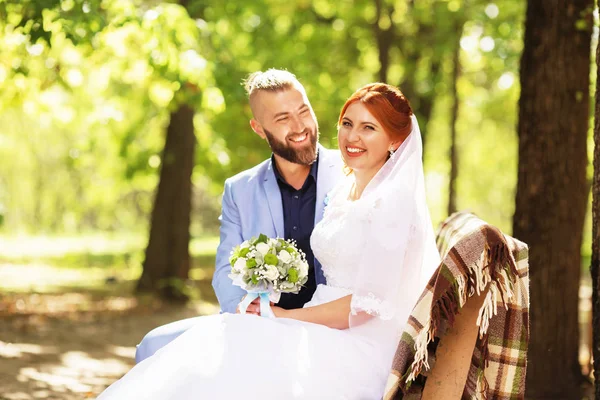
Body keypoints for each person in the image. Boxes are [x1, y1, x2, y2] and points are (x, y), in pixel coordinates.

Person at [98, 83, 441, 400]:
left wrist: (283, 317)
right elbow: (225, 271)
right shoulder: (344, 188)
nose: (352, 136)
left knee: (232, 371)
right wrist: (255, 311)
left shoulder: (383, 195)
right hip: (297, 320)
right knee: (182, 353)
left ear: (396, 140)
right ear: (259, 128)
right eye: (348, 123)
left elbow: (367, 304)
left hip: (353, 339)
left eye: (369, 127)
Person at [134, 69, 345, 363]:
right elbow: (225, 273)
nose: (300, 126)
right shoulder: (239, 190)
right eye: (283, 119)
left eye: (303, 111)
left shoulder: (351, 174)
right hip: (261, 323)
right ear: (258, 129)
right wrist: (249, 313)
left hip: (330, 325)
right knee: (152, 346)